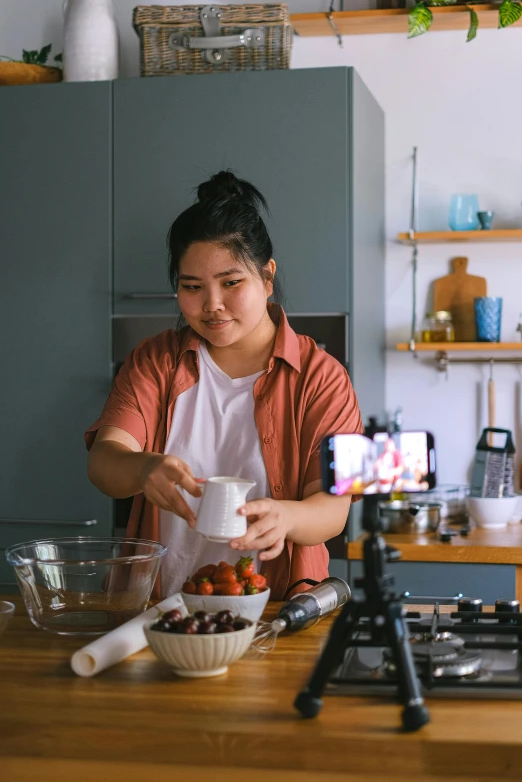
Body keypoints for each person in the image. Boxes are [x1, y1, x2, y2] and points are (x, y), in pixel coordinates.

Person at [85, 171, 363, 600]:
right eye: (191, 287)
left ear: (267, 277)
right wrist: (143, 469)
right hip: (158, 609)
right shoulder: (155, 361)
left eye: (231, 283)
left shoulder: (322, 377)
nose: (211, 305)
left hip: (275, 610)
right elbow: (104, 461)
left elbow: (334, 508)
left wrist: (287, 519)